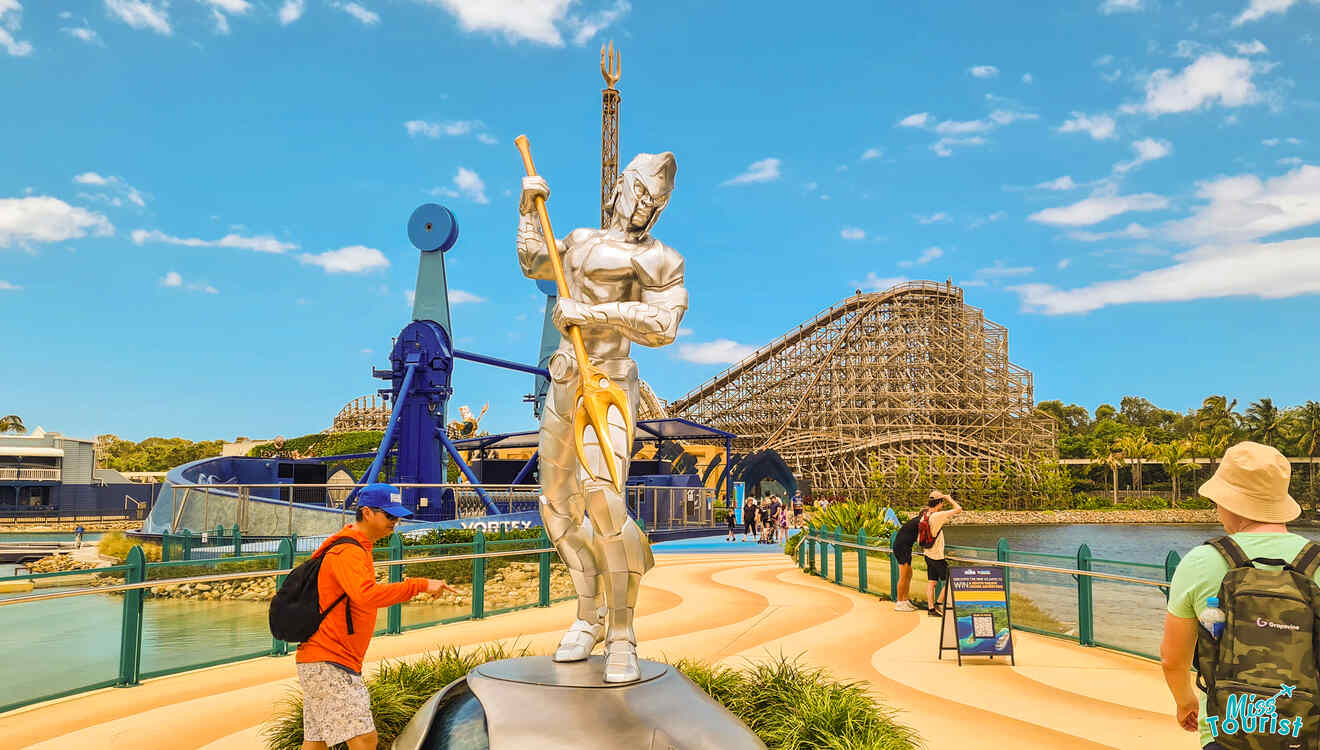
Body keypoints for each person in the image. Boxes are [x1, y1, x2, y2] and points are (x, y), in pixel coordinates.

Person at [517, 150, 686, 683]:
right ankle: (586, 616)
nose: (643, 209)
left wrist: (592, 313)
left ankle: (622, 633)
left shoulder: (661, 258)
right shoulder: (581, 240)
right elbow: (535, 261)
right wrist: (527, 207)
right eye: (639, 193)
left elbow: (663, 324)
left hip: (610, 382)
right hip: (565, 378)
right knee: (557, 506)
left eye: (654, 203)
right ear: (619, 186)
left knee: (605, 501)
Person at [1161, 442, 1319, 749]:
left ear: (1231, 503)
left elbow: (1172, 659)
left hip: (1226, 732)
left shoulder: (1200, 561)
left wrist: (1186, 702)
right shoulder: (1315, 561)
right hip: (1308, 734)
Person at [295, 484, 458, 750]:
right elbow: (366, 595)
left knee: (316, 742)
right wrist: (417, 585)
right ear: (367, 513)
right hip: (330, 661)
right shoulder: (348, 551)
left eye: (397, 517)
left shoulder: (354, 547)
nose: (395, 523)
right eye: (389, 516)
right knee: (364, 738)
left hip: (322, 660)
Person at [923, 491, 961, 617]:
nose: (943, 504)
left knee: (931, 582)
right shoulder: (937, 515)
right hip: (937, 556)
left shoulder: (926, 515)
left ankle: (931, 609)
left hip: (927, 554)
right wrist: (949, 499)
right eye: (942, 502)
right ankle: (939, 603)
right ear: (939, 502)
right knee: (950, 581)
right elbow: (958, 509)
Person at [891, 508, 924, 612]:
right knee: (903, 576)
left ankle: (905, 600)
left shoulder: (917, 523)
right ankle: (900, 602)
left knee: (909, 574)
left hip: (906, 548)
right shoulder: (919, 521)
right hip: (902, 548)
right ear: (923, 514)